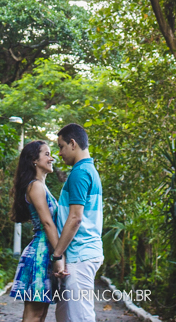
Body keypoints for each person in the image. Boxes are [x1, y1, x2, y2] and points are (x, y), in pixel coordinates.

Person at [49, 123, 103, 322]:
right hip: (80, 254)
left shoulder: (80, 173)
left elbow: (75, 218)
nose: (60, 153)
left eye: (61, 146)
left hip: (80, 255)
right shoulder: (87, 170)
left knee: (80, 317)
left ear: (73, 143)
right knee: (65, 316)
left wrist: (57, 255)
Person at [10, 140, 62, 322]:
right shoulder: (36, 186)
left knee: (40, 314)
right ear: (34, 160)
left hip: (45, 253)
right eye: (47, 154)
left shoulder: (40, 186)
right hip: (41, 253)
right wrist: (59, 256)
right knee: (34, 314)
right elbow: (47, 224)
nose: (52, 158)